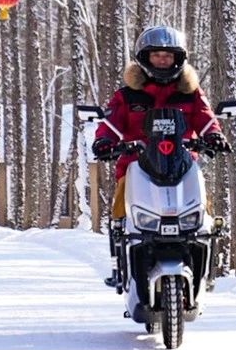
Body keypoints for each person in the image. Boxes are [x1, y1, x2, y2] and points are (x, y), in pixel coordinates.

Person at [92, 26, 228, 288]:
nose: (163, 60)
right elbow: (111, 122)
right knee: (120, 213)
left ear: (178, 58)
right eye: (157, 55)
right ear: (145, 58)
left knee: (205, 212)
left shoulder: (190, 92)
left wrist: (213, 136)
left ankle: (208, 265)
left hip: (182, 164)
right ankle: (119, 265)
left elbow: (206, 117)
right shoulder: (127, 94)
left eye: (168, 55)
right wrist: (104, 141)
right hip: (136, 166)